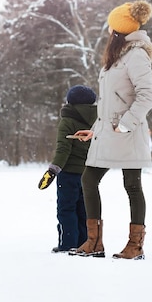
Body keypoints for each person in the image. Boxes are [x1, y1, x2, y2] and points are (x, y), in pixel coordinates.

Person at [69, 0, 152, 260]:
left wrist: (126, 123)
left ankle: (135, 246)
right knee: (89, 178)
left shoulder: (136, 54)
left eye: (111, 27)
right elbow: (110, 102)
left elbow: (147, 95)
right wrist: (95, 130)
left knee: (132, 184)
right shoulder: (117, 56)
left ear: (118, 30)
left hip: (128, 133)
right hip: (108, 132)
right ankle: (94, 242)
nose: (108, 31)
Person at [38, 85, 97, 254]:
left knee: (66, 209)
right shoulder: (97, 121)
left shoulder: (68, 120)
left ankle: (67, 243)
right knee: (83, 209)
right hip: (88, 173)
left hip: (69, 173)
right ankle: (83, 243)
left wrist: (52, 171)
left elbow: (63, 149)